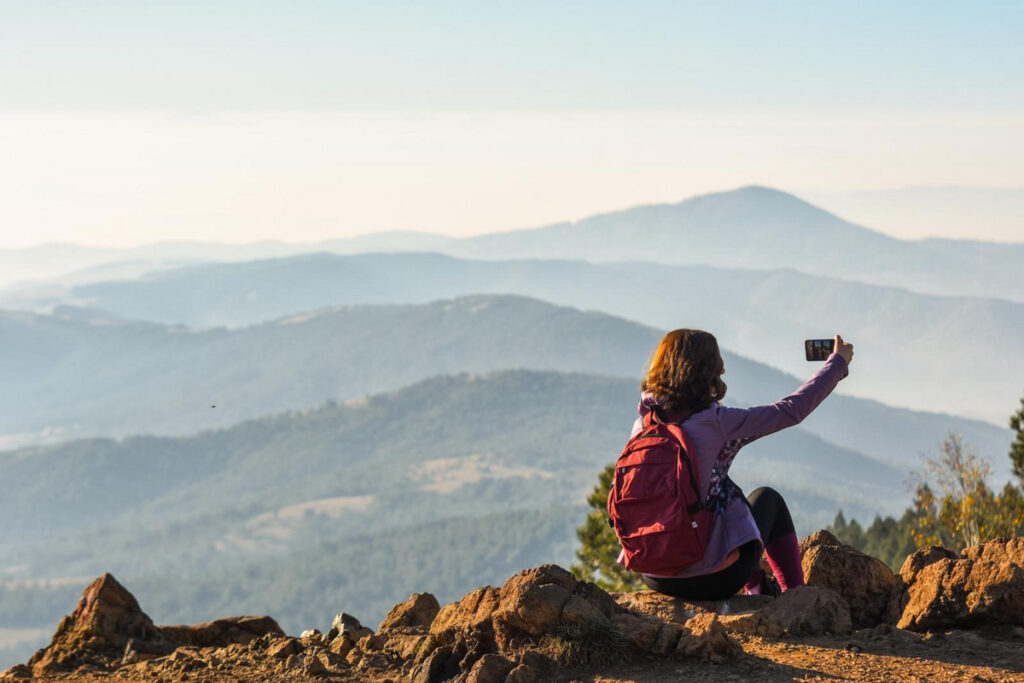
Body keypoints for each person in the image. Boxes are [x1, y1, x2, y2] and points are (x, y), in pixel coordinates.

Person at [626, 329, 853, 600]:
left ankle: (759, 584)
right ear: (706, 371)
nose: (722, 371)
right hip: (713, 579)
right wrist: (837, 363)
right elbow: (791, 409)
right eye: (717, 363)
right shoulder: (719, 424)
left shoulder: (643, 426)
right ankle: (795, 598)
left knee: (723, 490)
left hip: (654, 574)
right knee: (767, 500)